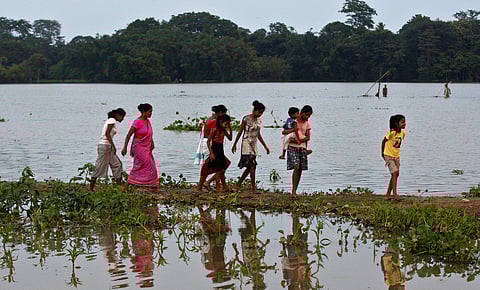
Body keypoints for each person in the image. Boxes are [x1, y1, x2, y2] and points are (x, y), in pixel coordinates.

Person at [232, 100, 270, 193]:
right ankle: (253, 188)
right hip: (246, 143)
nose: (260, 114)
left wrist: (265, 146)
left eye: (262, 113)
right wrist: (235, 144)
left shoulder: (258, 121)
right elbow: (240, 131)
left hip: (254, 144)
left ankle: (238, 185)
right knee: (252, 165)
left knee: (251, 167)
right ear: (254, 110)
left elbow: (258, 134)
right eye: (259, 112)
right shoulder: (246, 118)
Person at [121, 103, 159, 188]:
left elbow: (149, 134)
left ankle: (149, 184)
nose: (151, 113)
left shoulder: (148, 122)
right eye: (149, 112)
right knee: (142, 165)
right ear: (143, 112)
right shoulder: (137, 122)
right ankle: (130, 183)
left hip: (147, 148)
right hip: (138, 147)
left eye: (151, 111)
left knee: (151, 167)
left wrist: (152, 143)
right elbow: (128, 135)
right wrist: (125, 147)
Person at [89, 108, 126, 192]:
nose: (122, 119)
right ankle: (91, 187)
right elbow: (107, 133)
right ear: (117, 115)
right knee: (99, 166)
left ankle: (119, 186)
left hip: (107, 146)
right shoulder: (112, 120)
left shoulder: (111, 121)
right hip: (105, 146)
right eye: (122, 117)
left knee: (117, 164)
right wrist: (113, 145)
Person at [197, 114, 232, 193]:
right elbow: (209, 141)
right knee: (218, 169)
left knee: (221, 168)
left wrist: (230, 128)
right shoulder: (214, 129)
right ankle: (217, 188)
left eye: (227, 124)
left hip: (220, 149)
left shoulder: (223, 130)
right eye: (225, 124)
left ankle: (222, 187)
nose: (226, 126)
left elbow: (230, 138)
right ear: (220, 122)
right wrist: (211, 153)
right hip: (215, 149)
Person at [287, 105, 313, 195]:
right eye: (306, 115)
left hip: (302, 147)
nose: (307, 117)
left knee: (300, 169)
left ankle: (295, 190)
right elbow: (286, 132)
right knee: (296, 167)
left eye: (309, 116)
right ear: (301, 113)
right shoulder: (293, 121)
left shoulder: (307, 124)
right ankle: (293, 191)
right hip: (292, 146)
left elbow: (308, 137)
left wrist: (301, 142)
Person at [381, 114, 406, 201]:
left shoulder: (402, 133)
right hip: (388, 155)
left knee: (396, 174)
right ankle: (395, 194)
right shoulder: (391, 133)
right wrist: (382, 154)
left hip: (396, 156)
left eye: (404, 122)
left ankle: (388, 194)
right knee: (394, 173)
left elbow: (397, 145)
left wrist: (397, 155)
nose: (404, 124)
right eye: (402, 122)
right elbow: (383, 141)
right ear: (396, 124)